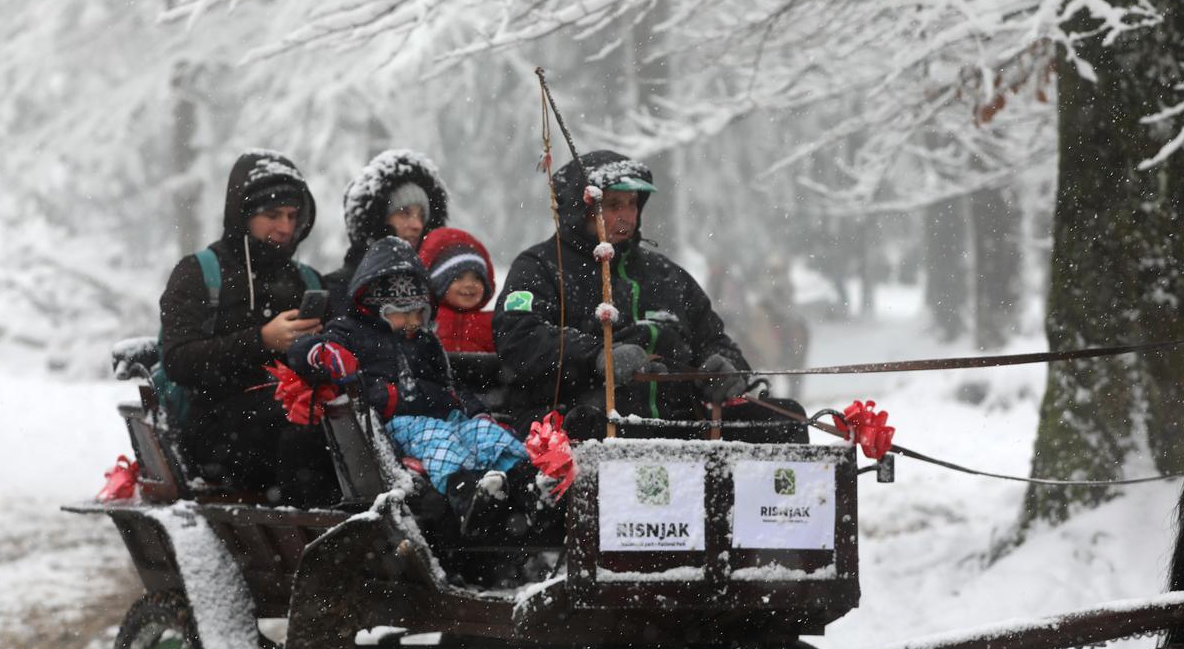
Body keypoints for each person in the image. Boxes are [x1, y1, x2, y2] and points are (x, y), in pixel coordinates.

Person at [493, 149, 809, 442]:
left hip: (682, 423)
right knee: (591, 422)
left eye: (632, 203)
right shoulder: (541, 267)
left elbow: (714, 339)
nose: (627, 216)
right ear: (581, 209)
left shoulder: (668, 275)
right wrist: (598, 356)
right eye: (614, 205)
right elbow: (519, 336)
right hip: (584, 420)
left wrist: (726, 366)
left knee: (785, 418)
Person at [288, 236, 540, 521]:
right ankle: (465, 494)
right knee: (438, 440)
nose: (412, 322)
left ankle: (525, 483)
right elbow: (302, 350)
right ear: (374, 308)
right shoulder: (351, 332)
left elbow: (450, 385)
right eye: (401, 313)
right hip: (393, 424)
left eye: (418, 313)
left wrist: (477, 413)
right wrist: (324, 354)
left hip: (443, 416)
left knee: (487, 435)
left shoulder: (425, 342)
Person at [158, 150, 340, 504]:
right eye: (272, 215)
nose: (285, 228)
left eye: (292, 216)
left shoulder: (307, 280)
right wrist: (262, 340)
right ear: (243, 215)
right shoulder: (198, 273)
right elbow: (178, 360)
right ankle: (313, 527)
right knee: (303, 432)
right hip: (216, 434)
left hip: (296, 418)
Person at [335, 149, 449, 289]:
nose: (418, 225)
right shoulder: (337, 289)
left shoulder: (436, 288)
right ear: (379, 219)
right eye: (405, 213)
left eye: (422, 216)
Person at [420, 227, 497, 354]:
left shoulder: (494, 324)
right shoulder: (424, 318)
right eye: (458, 277)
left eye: (477, 278)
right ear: (439, 284)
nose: (469, 284)